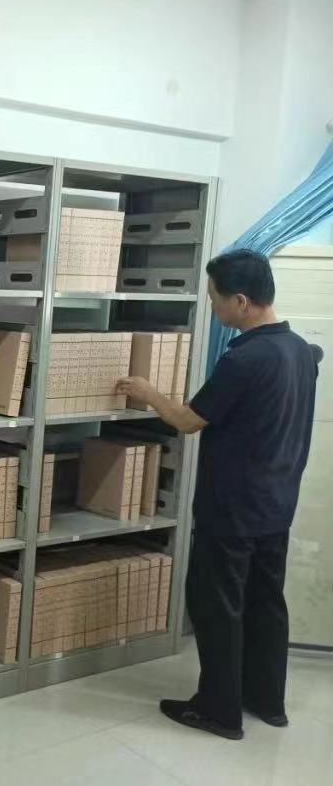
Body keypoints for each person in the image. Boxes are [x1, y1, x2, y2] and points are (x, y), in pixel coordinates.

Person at [117, 249, 318, 741]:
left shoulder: (244, 358)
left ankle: (218, 711)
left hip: (231, 510)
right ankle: (267, 701)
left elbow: (188, 421)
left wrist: (147, 392)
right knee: (266, 603)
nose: (212, 306)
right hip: (276, 506)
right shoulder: (300, 350)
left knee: (217, 606)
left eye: (215, 298)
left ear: (241, 301)